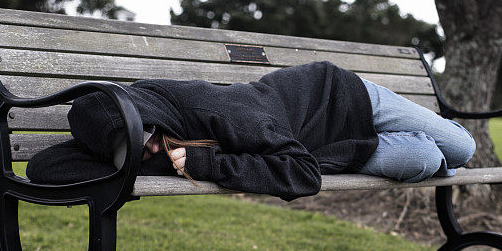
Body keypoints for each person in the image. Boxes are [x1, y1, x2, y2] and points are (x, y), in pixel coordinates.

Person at [26, 61, 475, 200]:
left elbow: (303, 177)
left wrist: (209, 164)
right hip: (317, 149)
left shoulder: (222, 110)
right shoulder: (127, 143)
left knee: (461, 147)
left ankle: (431, 134)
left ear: (152, 121)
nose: (145, 157)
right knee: (427, 161)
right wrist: (118, 152)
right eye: (129, 153)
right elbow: (44, 167)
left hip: (341, 98)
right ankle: (423, 149)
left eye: (144, 143)